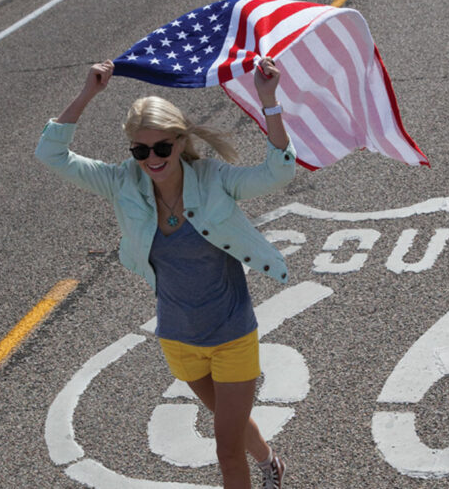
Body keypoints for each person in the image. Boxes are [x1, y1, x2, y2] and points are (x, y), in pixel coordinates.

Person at [35, 56, 294, 489]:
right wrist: (87, 94)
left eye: (161, 148)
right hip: (178, 338)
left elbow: (278, 171)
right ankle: (270, 462)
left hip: (232, 335)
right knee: (230, 422)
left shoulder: (212, 179)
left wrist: (269, 102)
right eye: (140, 150)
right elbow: (51, 152)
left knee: (226, 450)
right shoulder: (122, 184)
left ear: (179, 141)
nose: (152, 158)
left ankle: (262, 470)